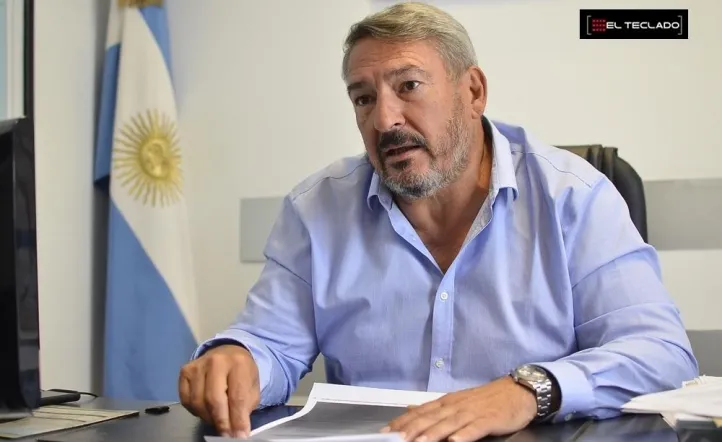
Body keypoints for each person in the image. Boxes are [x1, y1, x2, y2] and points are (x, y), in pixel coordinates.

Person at [178, 2, 698, 441]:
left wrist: (527, 391)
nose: (384, 119)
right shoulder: (316, 209)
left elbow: (660, 353)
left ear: (473, 92)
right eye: (363, 98)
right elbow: (271, 344)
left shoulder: (574, 197)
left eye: (408, 86)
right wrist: (238, 359)